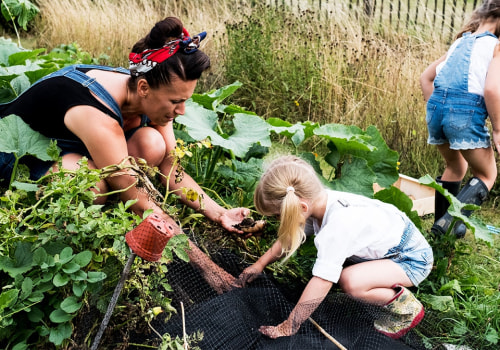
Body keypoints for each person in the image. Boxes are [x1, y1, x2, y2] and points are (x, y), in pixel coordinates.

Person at [0, 16, 249, 235]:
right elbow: (135, 192)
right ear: (143, 88)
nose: (181, 111)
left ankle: (110, 203)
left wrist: (218, 213)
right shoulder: (96, 111)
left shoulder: (151, 85)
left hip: (76, 150)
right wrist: (178, 238)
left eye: (185, 101)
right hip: (17, 157)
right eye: (175, 101)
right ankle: (62, 227)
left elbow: (171, 165)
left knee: (152, 144)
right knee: (90, 185)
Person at [237, 155, 433, 339]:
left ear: (301, 207)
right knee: (342, 270)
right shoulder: (319, 201)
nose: (278, 221)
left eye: (278, 216)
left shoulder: (337, 226)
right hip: (396, 242)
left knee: (350, 281)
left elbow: (323, 280)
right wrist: (259, 264)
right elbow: (289, 238)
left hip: (410, 259)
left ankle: (407, 308)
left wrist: (289, 325)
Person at [420, 0, 500, 237]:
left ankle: (441, 228)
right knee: (486, 174)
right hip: (464, 113)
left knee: (456, 166)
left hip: (436, 110)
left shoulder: (459, 42)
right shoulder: (496, 46)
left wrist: (438, 110)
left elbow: (426, 78)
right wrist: (497, 129)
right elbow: (492, 91)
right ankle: (449, 223)